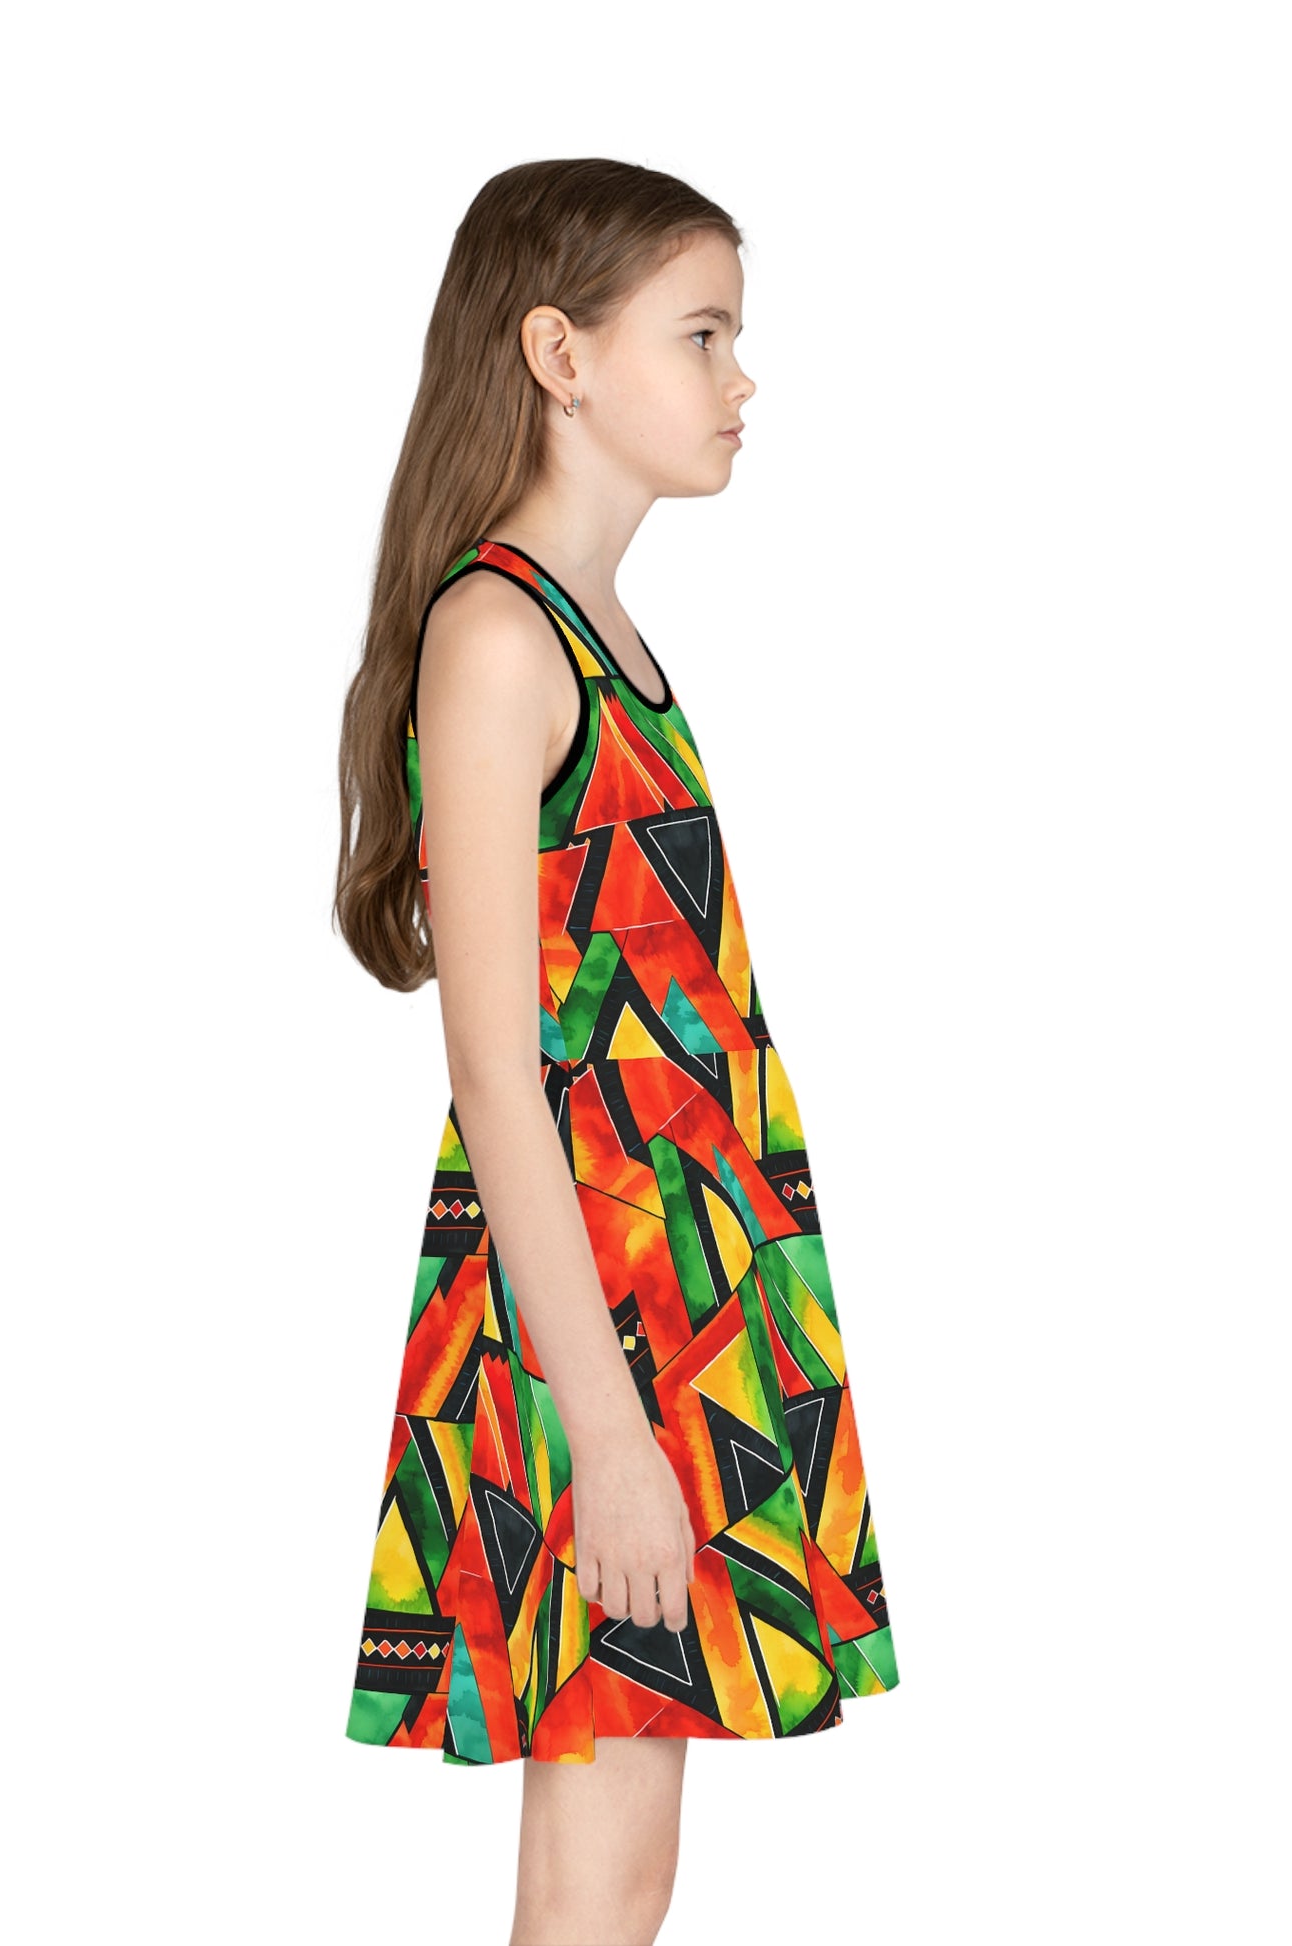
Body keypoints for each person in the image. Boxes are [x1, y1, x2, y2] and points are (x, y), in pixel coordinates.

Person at [332, 157, 901, 1946]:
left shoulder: (597, 634)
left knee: (615, 1877)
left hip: (683, 1301)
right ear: (559, 355)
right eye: (702, 335)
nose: (742, 380)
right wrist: (610, 1434)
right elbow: (496, 1070)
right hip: (602, 1332)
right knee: (600, 1886)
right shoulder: (501, 637)